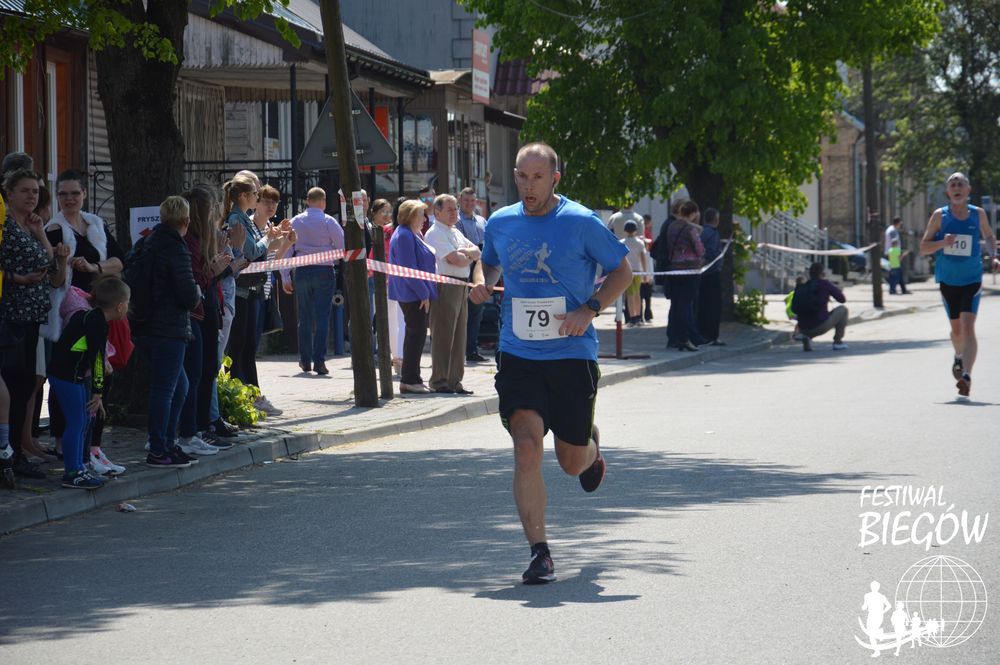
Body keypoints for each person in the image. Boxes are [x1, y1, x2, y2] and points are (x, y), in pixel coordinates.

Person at [469, 142, 631, 585]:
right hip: (518, 352)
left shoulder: (580, 221)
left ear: (555, 178)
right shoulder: (501, 222)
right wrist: (481, 283)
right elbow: (488, 264)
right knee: (526, 446)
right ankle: (540, 552)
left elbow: (622, 272)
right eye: (522, 176)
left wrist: (589, 309)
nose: (528, 185)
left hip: (571, 353)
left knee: (570, 463)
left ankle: (591, 450)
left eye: (537, 177)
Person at [44, 169, 127, 469]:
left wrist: (94, 267)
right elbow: (53, 276)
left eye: (74, 193)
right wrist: (65, 262)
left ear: (85, 194)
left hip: (97, 306)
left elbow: (120, 259)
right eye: (63, 194)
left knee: (101, 370)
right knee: (72, 374)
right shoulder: (54, 229)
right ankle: (64, 443)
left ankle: (92, 446)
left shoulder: (95, 223)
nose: (69, 199)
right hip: (69, 314)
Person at [0, 169, 68, 481]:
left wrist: (40, 232)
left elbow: (52, 270)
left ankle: (16, 450)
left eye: (35, 192)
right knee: (14, 383)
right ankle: (10, 453)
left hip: (33, 316)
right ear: (10, 193)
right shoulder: (5, 226)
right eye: (25, 191)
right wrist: (19, 278)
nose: (31, 196)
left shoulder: (30, 225)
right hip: (10, 314)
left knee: (26, 384)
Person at [126, 196, 201, 468]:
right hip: (168, 328)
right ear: (186, 221)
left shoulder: (145, 243)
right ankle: (158, 448)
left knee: (179, 386)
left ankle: (168, 443)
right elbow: (187, 294)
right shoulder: (176, 247)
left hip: (143, 326)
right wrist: (197, 292)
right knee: (165, 389)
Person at [919, 172, 998, 398]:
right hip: (948, 279)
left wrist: (994, 255)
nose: (956, 187)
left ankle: (967, 375)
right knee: (956, 330)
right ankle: (958, 356)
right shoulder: (939, 216)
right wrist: (942, 242)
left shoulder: (978, 214)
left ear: (968, 190)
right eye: (952, 184)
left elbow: (989, 236)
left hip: (972, 279)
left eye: (960, 184)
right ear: (947, 192)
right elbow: (923, 247)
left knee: (968, 325)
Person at [47, 275, 130, 489]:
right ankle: (72, 472)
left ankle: (80, 466)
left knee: (82, 421)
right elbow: (97, 360)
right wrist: (98, 393)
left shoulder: (93, 317)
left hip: (72, 375)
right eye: (128, 303)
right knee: (76, 422)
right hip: (66, 376)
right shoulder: (96, 322)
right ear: (120, 306)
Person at [223, 173, 283, 416]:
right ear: (243, 196)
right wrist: (268, 238)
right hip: (240, 290)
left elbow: (260, 250)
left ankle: (251, 394)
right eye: (255, 194)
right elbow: (251, 251)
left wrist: (271, 239)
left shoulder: (243, 220)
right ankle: (239, 396)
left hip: (250, 290)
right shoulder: (237, 219)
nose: (257, 197)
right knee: (238, 347)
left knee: (247, 346)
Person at [281, 187, 344, 375]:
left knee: (305, 317)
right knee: (323, 317)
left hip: (301, 270)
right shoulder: (329, 221)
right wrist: (328, 251)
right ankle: (320, 361)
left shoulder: (296, 221)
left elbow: (287, 249)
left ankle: (305, 360)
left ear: (307, 201)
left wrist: (285, 276)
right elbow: (342, 246)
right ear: (323, 202)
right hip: (324, 271)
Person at [425, 193, 481, 394]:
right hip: (445, 285)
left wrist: (465, 253)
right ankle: (439, 380)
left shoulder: (455, 231)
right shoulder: (435, 232)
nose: (454, 213)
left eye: (455, 208)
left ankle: (454, 380)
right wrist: (467, 254)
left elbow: (477, 252)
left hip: (461, 284)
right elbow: (455, 259)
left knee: (459, 335)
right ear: (437, 211)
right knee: (443, 334)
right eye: (449, 209)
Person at [388, 199, 437, 394]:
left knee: (416, 335)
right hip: (412, 294)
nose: (424, 219)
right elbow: (409, 268)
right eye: (420, 215)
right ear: (410, 216)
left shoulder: (409, 234)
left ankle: (413, 378)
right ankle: (409, 379)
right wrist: (423, 292)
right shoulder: (404, 235)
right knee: (415, 335)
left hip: (413, 292)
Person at [665, 199, 706, 351]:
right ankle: (684, 338)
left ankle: (674, 337)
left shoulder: (671, 226)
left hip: (674, 268)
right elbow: (699, 249)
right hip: (690, 269)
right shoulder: (690, 228)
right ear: (693, 213)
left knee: (676, 304)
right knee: (686, 304)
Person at [456, 187, 488, 362]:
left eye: (472, 200)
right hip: (464, 267)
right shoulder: (456, 221)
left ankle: (471, 349)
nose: (469, 204)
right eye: (466, 200)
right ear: (460, 200)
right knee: (462, 311)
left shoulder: (482, 221)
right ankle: (460, 349)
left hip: (481, 268)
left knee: (476, 310)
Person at [794, 262, 849, 352]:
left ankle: (807, 339)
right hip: (819, 326)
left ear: (810, 274)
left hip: (802, 328)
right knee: (843, 310)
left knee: (811, 318)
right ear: (822, 273)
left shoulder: (804, 286)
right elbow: (842, 299)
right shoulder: (824, 284)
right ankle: (838, 342)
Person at [696, 207, 725, 345]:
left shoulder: (701, 232)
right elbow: (712, 253)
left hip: (701, 274)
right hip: (712, 273)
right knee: (713, 306)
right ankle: (712, 336)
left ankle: (702, 333)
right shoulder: (713, 233)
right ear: (715, 220)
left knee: (702, 305)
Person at [621, 220, 648, 326]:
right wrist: (645, 273)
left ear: (625, 231)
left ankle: (632, 318)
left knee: (629, 295)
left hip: (626, 271)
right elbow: (643, 258)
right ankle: (638, 317)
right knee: (637, 294)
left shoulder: (622, 242)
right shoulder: (640, 242)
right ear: (635, 230)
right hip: (638, 271)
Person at [640, 213, 654, 321]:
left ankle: (640, 314)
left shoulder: (639, 232)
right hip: (646, 271)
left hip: (639, 272)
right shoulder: (647, 233)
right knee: (647, 295)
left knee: (639, 295)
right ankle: (647, 314)